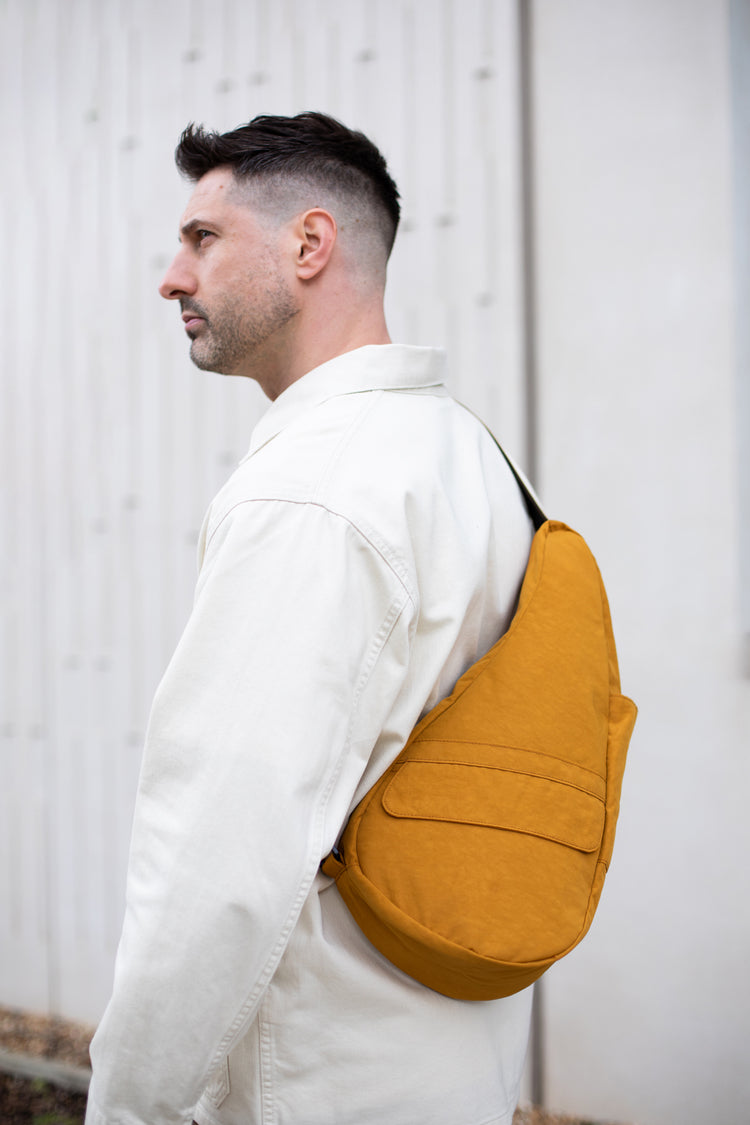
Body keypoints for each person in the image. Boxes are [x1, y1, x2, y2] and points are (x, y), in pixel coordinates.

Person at [86, 111, 535, 1125]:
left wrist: (127, 1109)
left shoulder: (315, 492)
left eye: (203, 238)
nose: (172, 277)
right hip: (449, 1071)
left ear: (310, 244)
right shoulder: (470, 457)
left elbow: (218, 865)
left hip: (318, 1085)